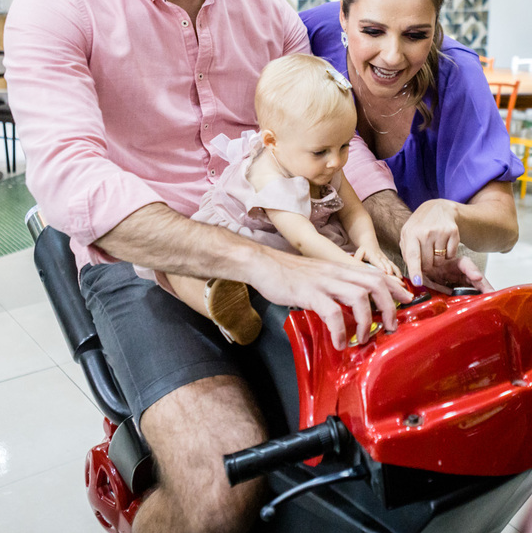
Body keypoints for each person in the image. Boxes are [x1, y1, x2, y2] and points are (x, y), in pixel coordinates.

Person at [3, 0, 411, 533]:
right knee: (223, 487)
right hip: (141, 271)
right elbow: (71, 185)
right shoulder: (58, 6)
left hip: (273, 241)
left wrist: (401, 226)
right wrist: (264, 266)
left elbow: (337, 145)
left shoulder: (268, 10)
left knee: (389, 441)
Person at [302, 0, 523, 287]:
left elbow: (505, 231)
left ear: (435, 30)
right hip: (345, 245)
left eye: (415, 35)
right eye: (372, 31)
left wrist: (449, 211)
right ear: (343, 16)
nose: (391, 56)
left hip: (435, 257)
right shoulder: (309, 35)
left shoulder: (457, 76)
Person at [134, 53, 398, 345]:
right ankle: (220, 305)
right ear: (272, 142)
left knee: (339, 264)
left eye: (345, 145)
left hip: (287, 240)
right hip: (241, 238)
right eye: (321, 151)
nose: (336, 161)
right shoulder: (269, 177)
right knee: (181, 265)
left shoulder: (325, 160)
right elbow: (303, 240)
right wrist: (354, 269)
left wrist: (371, 250)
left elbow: (353, 212)